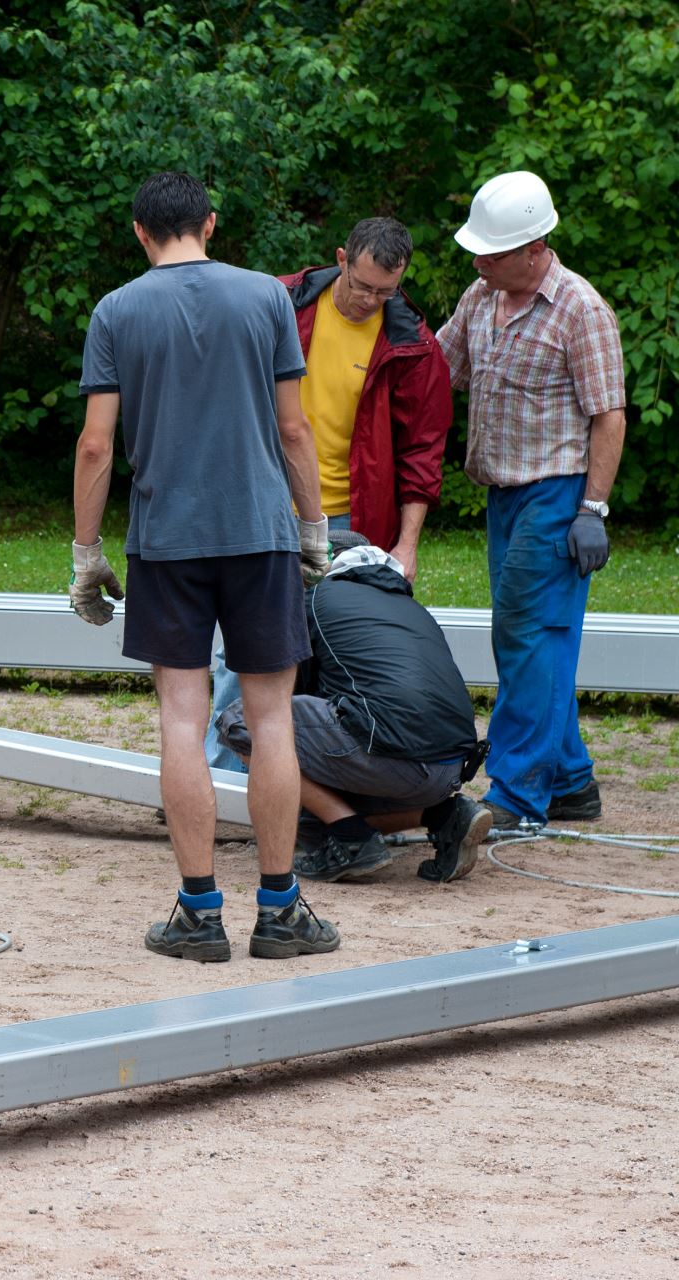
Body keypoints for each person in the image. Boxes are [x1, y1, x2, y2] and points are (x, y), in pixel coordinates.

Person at [69, 170, 338, 963]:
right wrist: (315, 528)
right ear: (210, 224)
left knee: (183, 720)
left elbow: (95, 445)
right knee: (272, 719)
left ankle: (199, 914)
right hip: (259, 534)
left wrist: (87, 555)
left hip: (167, 541)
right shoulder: (266, 299)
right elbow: (295, 431)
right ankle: (282, 910)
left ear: (138, 231)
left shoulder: (116, 310)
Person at [204, 217, 454, 772]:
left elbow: (422, 452)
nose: (370, 300)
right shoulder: (279, 304)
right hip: (261, 505)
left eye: (385, 291)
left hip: (352, 519)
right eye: (363, 285)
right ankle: (220, 781)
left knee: (335, 654)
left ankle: (309, 790)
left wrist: (406, 546)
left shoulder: (412, 344)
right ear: (341, 258)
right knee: (237, 650)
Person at [435, 171, 626, 829]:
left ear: (534, 246)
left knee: (529, 639)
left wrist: (591, 511)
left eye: (491, 252)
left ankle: (517, 798)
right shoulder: (481, 297)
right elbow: (439, 371)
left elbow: (610, 416)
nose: (478, 261)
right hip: (505, 497)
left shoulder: (581, 310)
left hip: (557, 493)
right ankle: (571, 781)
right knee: (529, 641)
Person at [215, 531, 492, 885]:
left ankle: (352, 837)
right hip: (450, 768)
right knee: (309, 820)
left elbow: (284, 700)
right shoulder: (409, 605)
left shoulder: (314, 601)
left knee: (247, 721)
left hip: (393, 753)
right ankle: (444, 814)